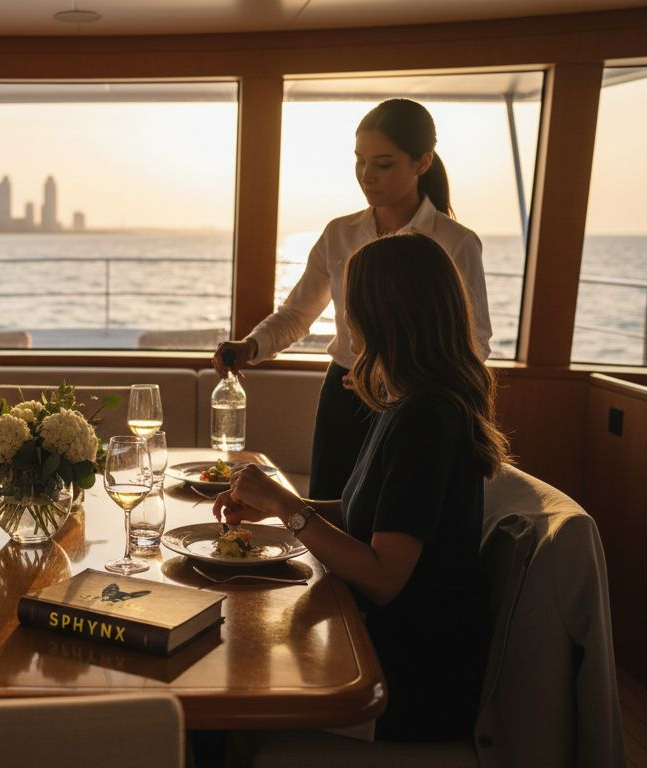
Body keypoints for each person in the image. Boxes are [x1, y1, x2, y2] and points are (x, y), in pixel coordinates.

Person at [215, 233, 509, 741]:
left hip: (407, 680)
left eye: (353, 305)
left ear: (382, 315)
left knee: (225, 696)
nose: (346, 319)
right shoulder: (409, 402)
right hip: (389, 645)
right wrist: (283, 505)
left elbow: (383, 577)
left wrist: (288, 507)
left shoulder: (427, 419)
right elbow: (374, 513)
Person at [212, 98, 493, 500]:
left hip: (417, 405)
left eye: (383, 164)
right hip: (344, 397)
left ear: (422, 163)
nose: (366, 175)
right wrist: (251, 345)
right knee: (326, 510)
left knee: (393, 524)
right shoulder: (339, 233)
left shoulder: (455, 242)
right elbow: (296, 314)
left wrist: (401, 380)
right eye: (359, 161)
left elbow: (475, 341)